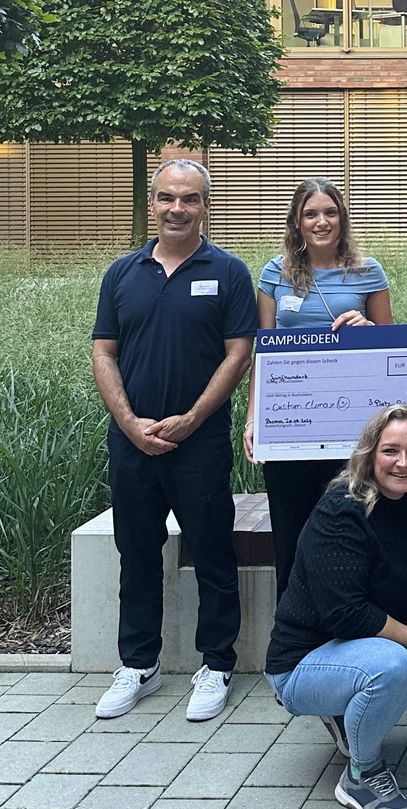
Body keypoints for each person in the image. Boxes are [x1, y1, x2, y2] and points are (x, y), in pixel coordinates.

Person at [91, 159, 258, 722]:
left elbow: (239, 354)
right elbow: (104, 352)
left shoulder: (229, 272)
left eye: (189, 199)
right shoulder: (122, 273)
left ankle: (217, 664)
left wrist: (189, 419)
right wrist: (129, 423)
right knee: (136, 554)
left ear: (206, 206)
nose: (177, 209)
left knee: (212, 552)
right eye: (167, 198)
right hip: (131, 443)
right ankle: (138, 664)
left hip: (199, 443)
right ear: (152, 202)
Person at [265, 403, 407, 809]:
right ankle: (361, 774)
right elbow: (346, 614)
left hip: (377, 641)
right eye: (390, 450)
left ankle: (354, 708)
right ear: (369, 453)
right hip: (306, 658)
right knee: (391, 669)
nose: (403, 462)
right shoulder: (341, 510)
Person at [243, 177, 392, 601]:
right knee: (290, 534)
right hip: (289, 425)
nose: (321, 221)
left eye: (330, 212)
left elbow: (390, 348)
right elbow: (262, 353)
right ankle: (291, 632)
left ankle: (348, 625)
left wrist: (367, 329)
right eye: (311, 214)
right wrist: (253, 419)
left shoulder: (368, 271)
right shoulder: (274, 273)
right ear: (297, 221)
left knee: (347, 532)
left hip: (351, 429)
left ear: (342, 219)